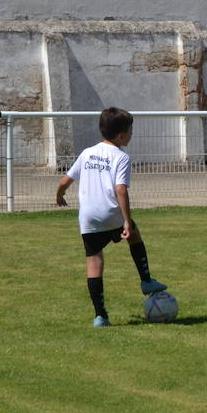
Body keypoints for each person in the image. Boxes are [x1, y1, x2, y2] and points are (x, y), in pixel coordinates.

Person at [55, 107, 167, 327]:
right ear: (121, 135)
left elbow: (65, 181)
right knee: (134, 235)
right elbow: (121, 190)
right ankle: (146, 281)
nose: (132, 134)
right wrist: (126, 220)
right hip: (111, 213)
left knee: (94, 262)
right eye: (130, 131)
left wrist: (59, 195)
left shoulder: (87, 152)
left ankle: (100, 316)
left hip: (88, 216)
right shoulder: (122, 157)